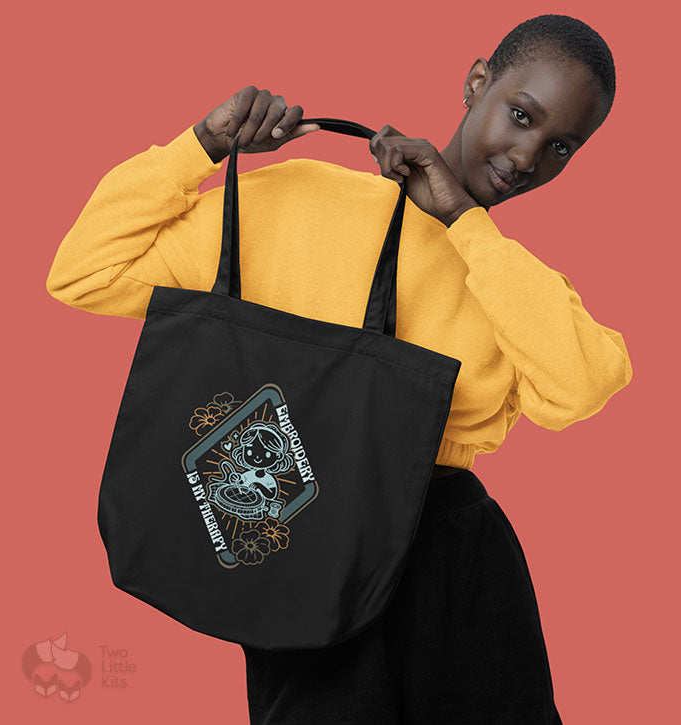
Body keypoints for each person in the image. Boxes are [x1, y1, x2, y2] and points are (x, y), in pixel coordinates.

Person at [45, 12, 633, 724]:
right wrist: (197, 147)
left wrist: (461, 222)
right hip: (304, 542)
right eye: (520, 114)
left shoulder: (503, 276)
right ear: (477, 80)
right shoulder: (293, 197)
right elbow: (84, 273)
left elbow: (579, 387)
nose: (527, 156)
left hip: (450, 561)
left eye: (560, 147)